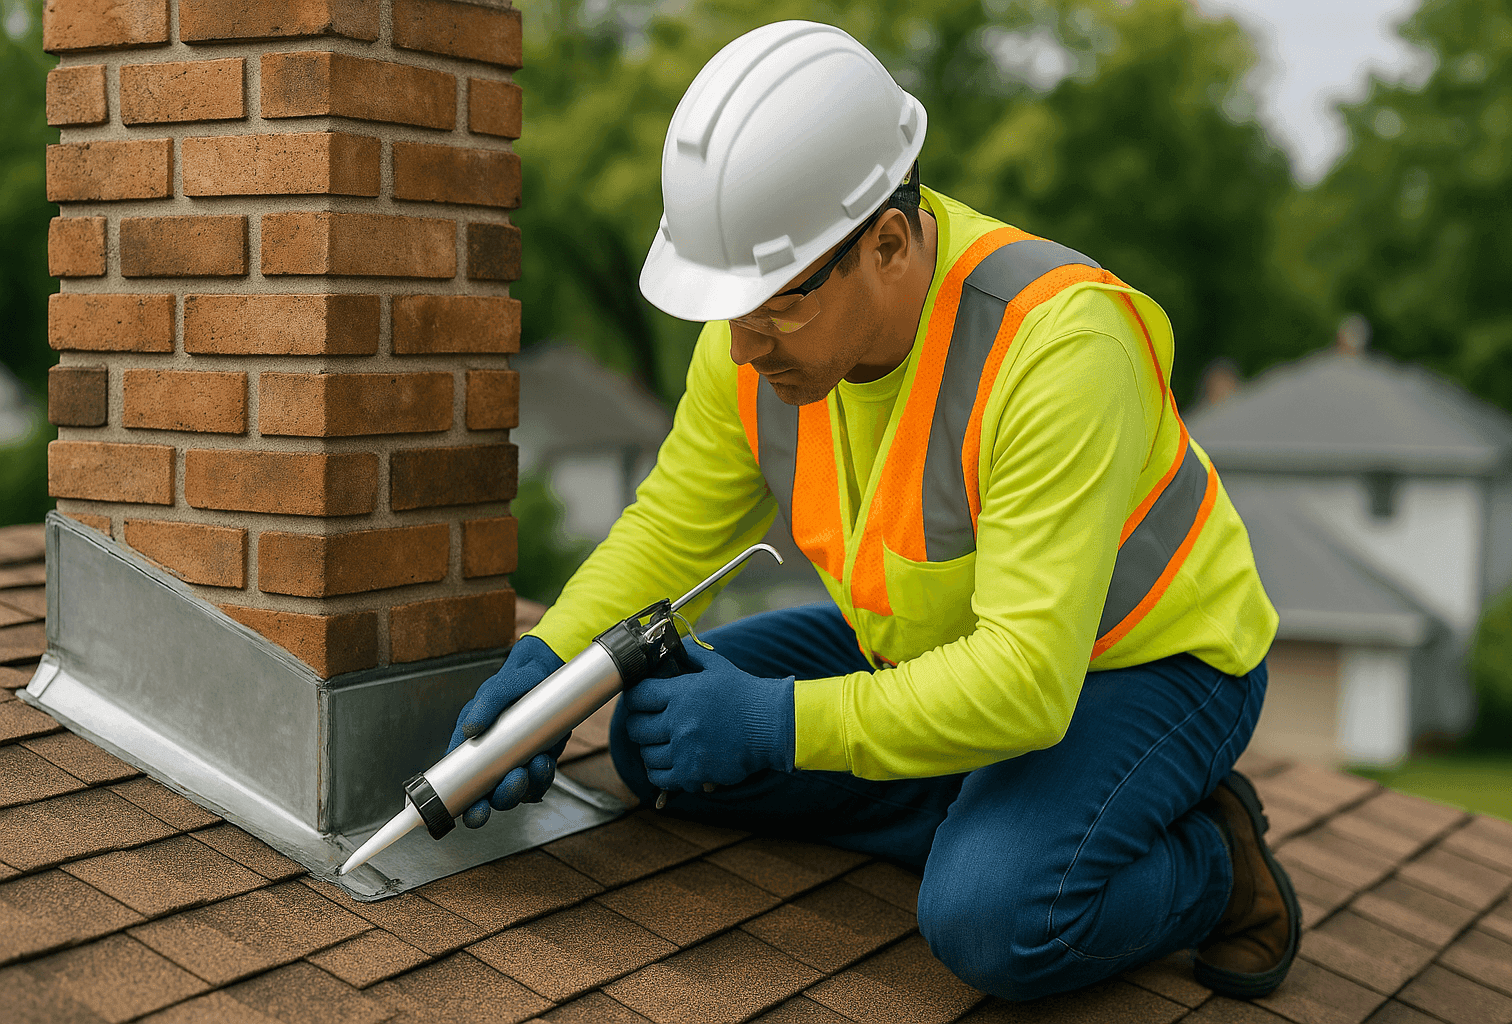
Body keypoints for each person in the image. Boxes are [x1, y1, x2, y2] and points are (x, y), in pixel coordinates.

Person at [445, 20, 1296, 1002]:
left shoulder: (1058, 347)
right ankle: (986, 797)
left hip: (1147, 665)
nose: (742, 345)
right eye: (728, 306)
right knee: (656, 736)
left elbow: (1026, 681)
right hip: (921, 649)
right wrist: (553, 669)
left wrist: (780, 725)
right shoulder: (756, 345)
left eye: (774, 303)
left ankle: (1212, 865)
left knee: (992, 914)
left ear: (888, 243)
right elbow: (670, 530)